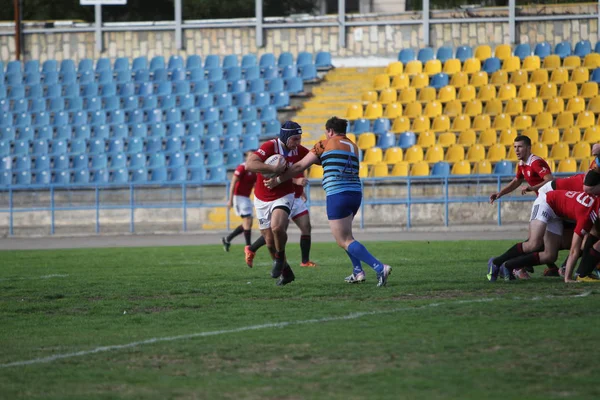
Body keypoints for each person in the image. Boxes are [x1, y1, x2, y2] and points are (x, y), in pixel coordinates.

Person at [266, 116, 392, 287]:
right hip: (355, 193)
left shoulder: (325, 144)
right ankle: (358, 272)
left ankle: (379, 268)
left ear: (330, 131)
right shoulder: (353, 147)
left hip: (337, 194)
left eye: (326, 133)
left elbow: (299, 167)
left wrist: (277, 180)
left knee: (343, 240)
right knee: (348, 236)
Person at [244, 121, 310, 286]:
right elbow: (249, 164)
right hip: (261, 197)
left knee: (277, 227)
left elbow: (314, 157)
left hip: (284, 194)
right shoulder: (270, 147)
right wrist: (272, 168)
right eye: (295, 139)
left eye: (300, 138)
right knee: (269, 241)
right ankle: (287, 274)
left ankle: (280, 258)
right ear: (286, 137)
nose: (298, 142)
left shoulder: (298, 150)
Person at [487, 189, 600, 284]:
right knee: (534, 244)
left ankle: (508, 265)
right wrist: (568, 278)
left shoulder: (596, 202)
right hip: (546, 203)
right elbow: (574, 251)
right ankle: (496, 263)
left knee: (550, 256)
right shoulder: (587, 216)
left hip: (557, 212)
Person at [488, 135, 555, 278]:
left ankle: (514, 264)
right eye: (515, 147)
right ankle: (520, 265)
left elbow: (550, 180)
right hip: (544, 204)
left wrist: (532, 187)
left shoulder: (535, 162)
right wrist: (500, 193)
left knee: (537, 241)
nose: (517, 150)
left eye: (520, 147)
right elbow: (517, 181)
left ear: (529, 148)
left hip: (552, 204)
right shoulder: (522, 164)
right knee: (537, 240)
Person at [244, 173, 317, 268]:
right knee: (277, 232)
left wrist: (300, 190)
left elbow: (297, 172)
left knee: (306, 227)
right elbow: (278, 176)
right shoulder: (280, 159)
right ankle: (252, 249)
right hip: (285, 198)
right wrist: (296, 181)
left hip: (297, 198)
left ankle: (305, 261)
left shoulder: (300, 158)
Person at [221, 151, 257, 252]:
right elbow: (233, 182)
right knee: (248, 221)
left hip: (246, 198)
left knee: (248, 223)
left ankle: (227, 239)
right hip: (239, 197)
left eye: (253, 156)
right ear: (246, 157)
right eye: (250, 156)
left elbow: (255, 185)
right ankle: (248, 247)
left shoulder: (255, 170)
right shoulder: (242, 167)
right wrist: (230, 200)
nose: (251, 158)